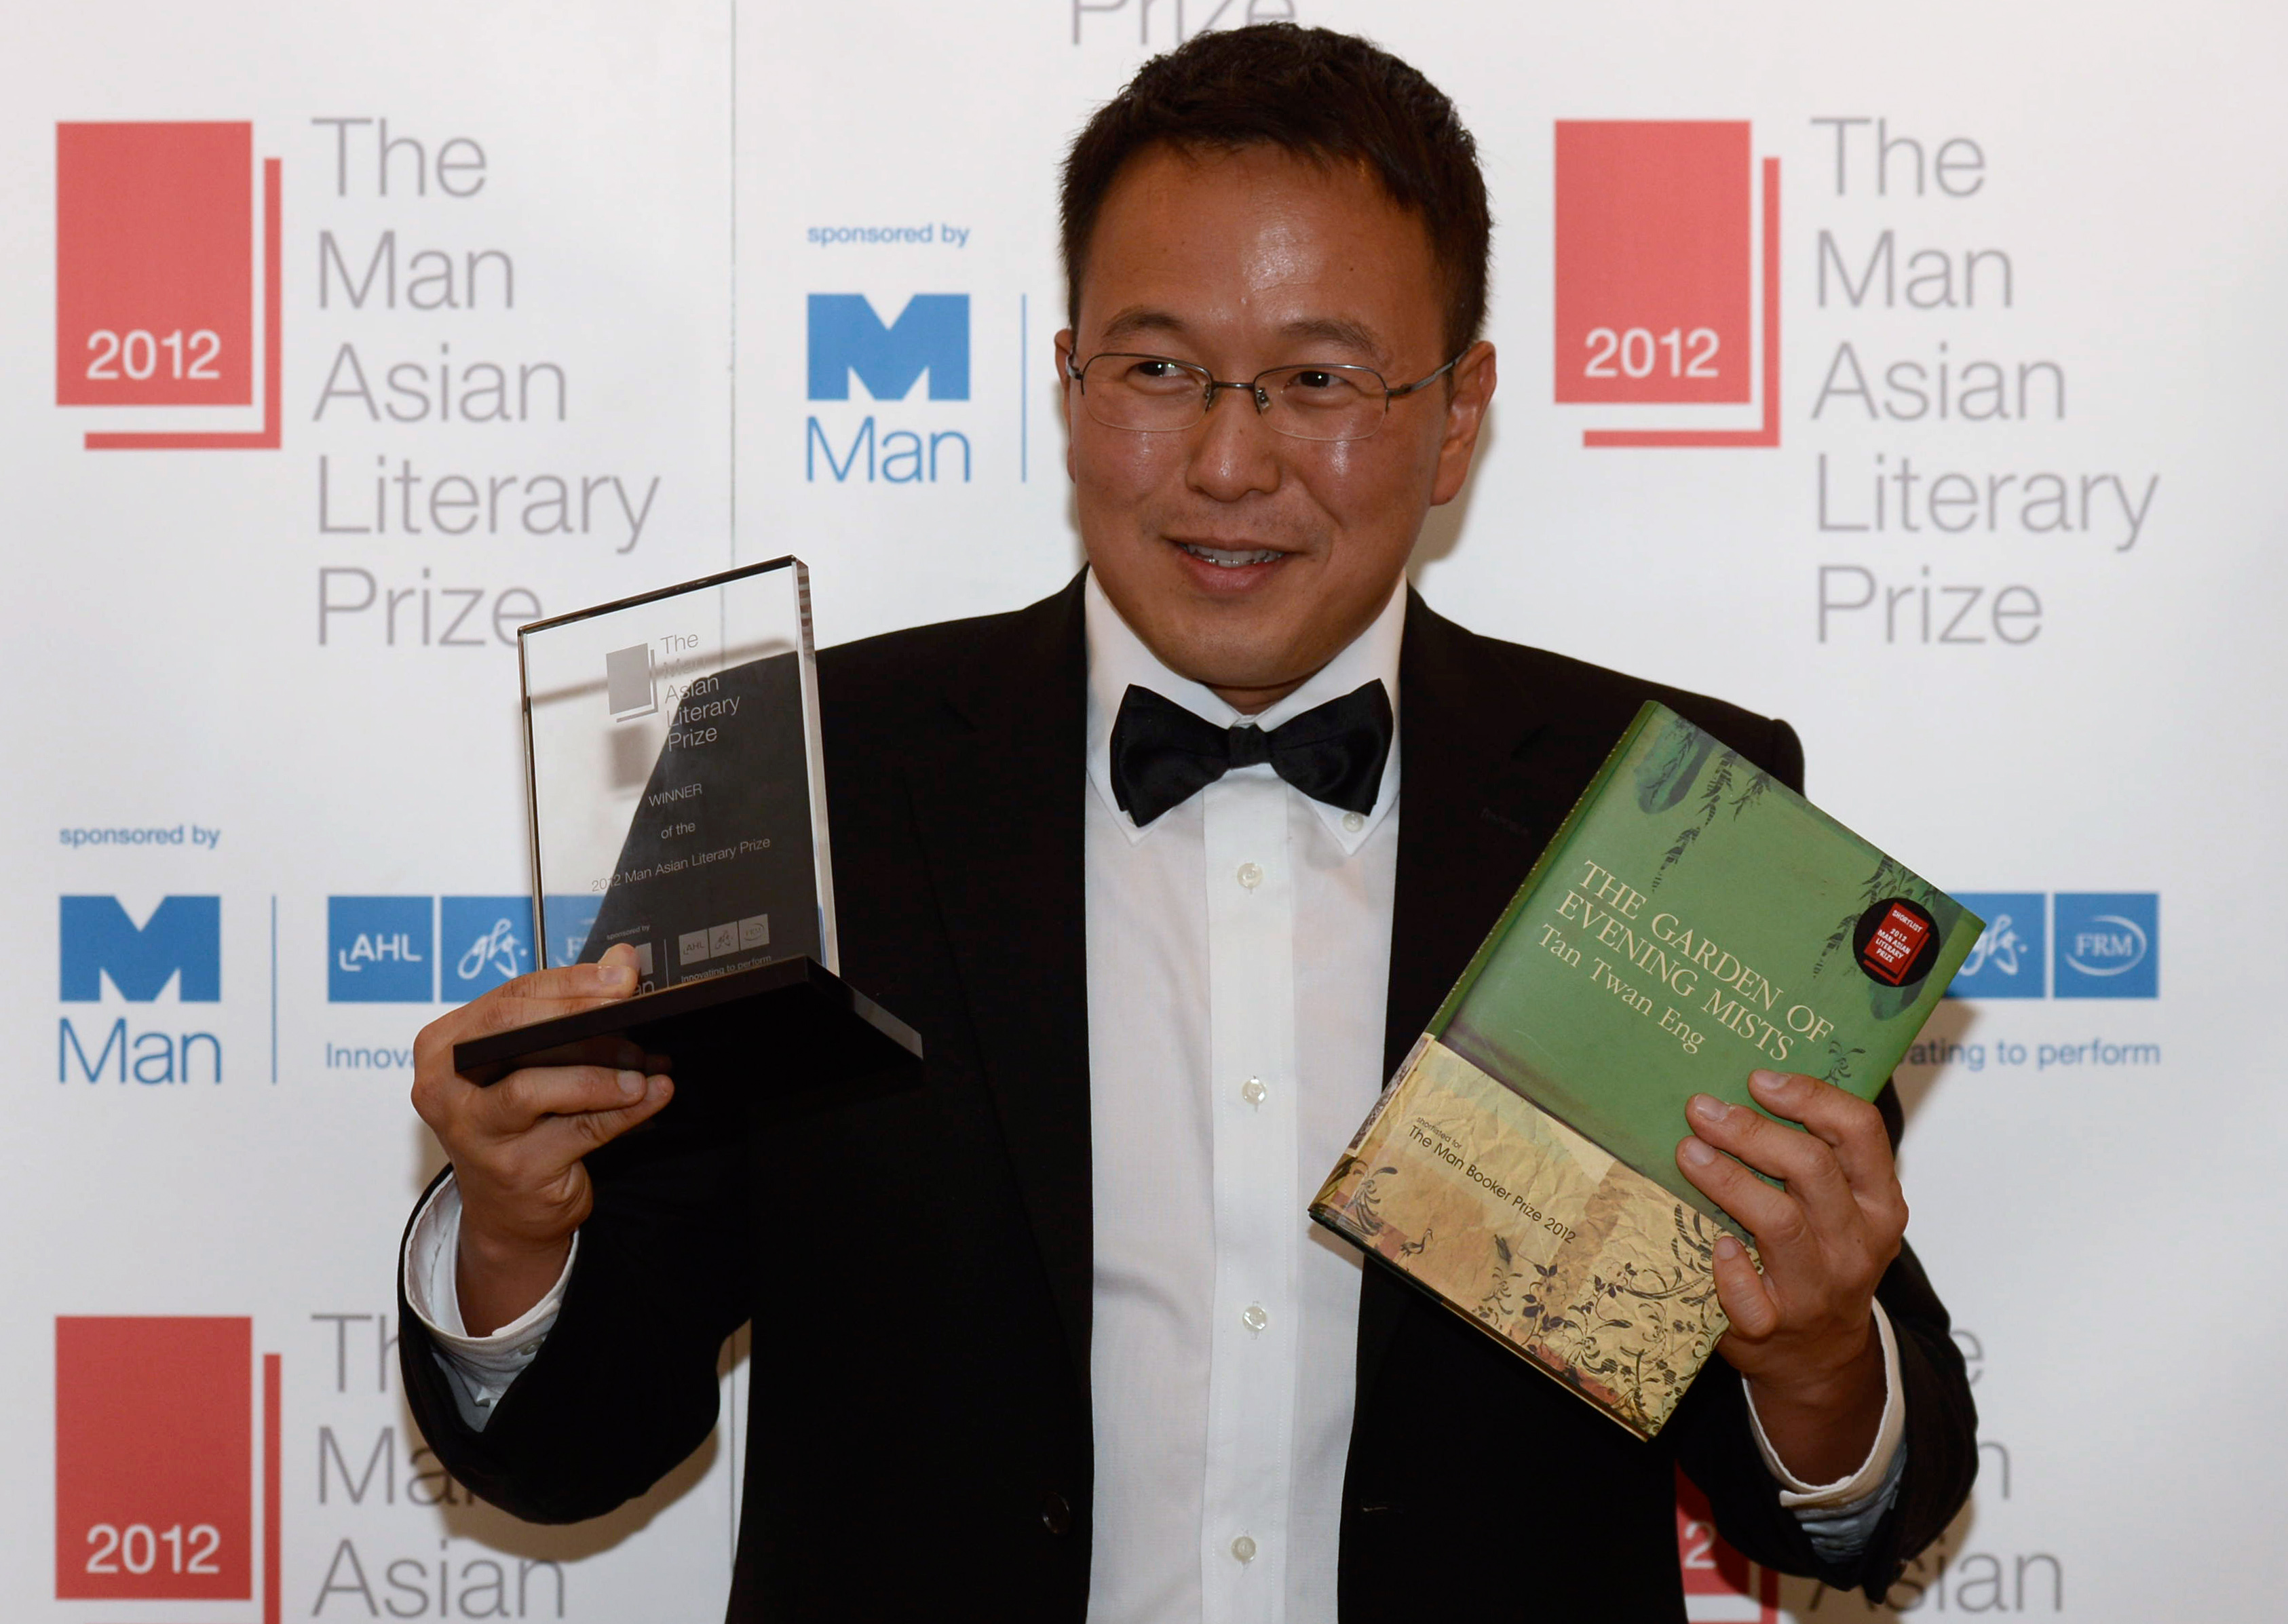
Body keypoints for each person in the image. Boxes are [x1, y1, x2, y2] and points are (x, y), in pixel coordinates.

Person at [400, 25, 1975, 1621]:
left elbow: (1846, 1509)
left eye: (1319, 380)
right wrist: (518, 1231)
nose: (1229, 464)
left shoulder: (1667, 818)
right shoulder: (805, 771)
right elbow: (573, 1444)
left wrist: (1813, 1355)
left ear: (1457, 416)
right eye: (1158, 371)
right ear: (1071, 380)